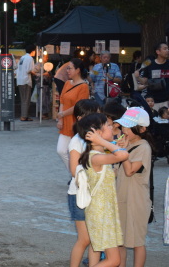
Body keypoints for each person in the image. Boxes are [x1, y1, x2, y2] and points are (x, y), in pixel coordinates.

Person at [77, 114, 129, 267]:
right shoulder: (96, 158)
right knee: (114, 260)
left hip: (102, 212)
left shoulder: (98, 154)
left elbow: (120, 152)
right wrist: (106, 143)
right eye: (107, 125)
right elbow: (123, 155)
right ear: (97, 134)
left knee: (97, 250)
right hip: (101, 213)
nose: (111, 127)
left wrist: (111, 143)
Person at [114, 107, 154, 267]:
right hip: (122, 197)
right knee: (120, 241)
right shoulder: (127, 143)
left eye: (129, 127)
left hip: (136, 201)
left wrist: (122, 151)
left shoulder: (143, 147)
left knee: (137, 241)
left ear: (142, 129)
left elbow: (130, 170)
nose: (124, 130)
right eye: (124, 126)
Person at [67, 99, 101, 267]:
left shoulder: (95, 138)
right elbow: (74, 171)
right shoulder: (76, 141)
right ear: (80, 118)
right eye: (92, 115)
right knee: (85, 238)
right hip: (79, 195)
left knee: (95, 238)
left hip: (94, 194)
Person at [57, 58, 90, 173]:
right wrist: (61, 118)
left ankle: (75, 176)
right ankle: (74, 174)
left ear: (78, 70)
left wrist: (62, 114)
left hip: (76, 122)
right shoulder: (67, 83)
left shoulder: (84, 87)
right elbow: (62, 100)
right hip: (65, 121)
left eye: (70, 68)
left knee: (74, 151)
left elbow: (78, 106)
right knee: (61, 150)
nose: (67, 71)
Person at [138, 42, 169, 110]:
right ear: (158, 51)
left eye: (168, 49)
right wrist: (137, 76)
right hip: (152, 101)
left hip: (167, 100)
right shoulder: (149, 64)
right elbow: (145, 82)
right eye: (165, 49)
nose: (167, 51)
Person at [17, 44, 36, 121]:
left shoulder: (22, 57)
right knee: (26, 99)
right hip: (26, 81)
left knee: (23, 99)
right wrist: (35, 73)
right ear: (32, 51)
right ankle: (24, 116)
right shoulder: (30, 58)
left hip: (20, 80)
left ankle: (24, 115)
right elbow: (29, 70)